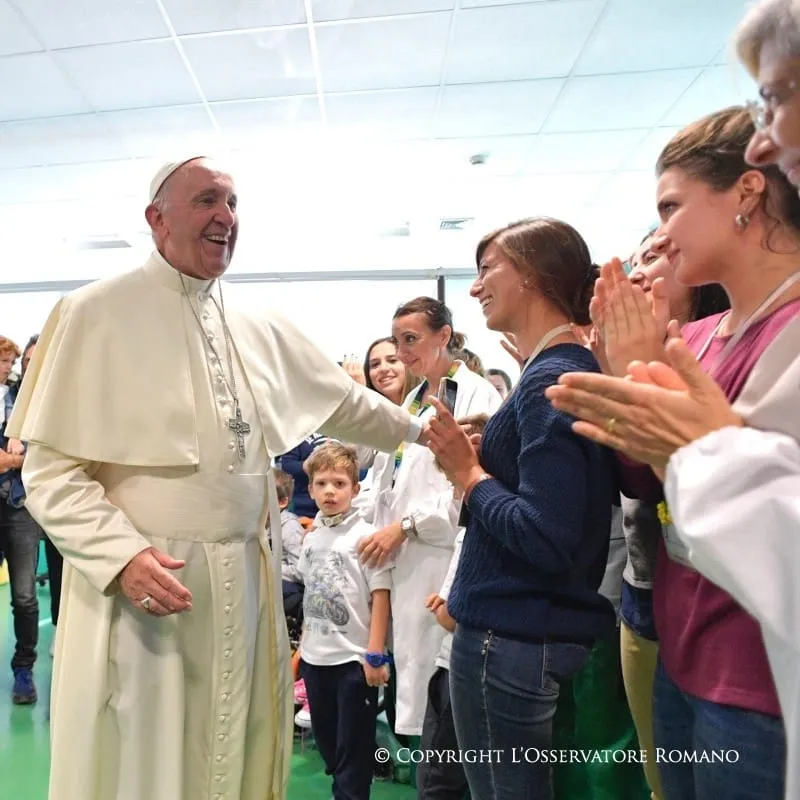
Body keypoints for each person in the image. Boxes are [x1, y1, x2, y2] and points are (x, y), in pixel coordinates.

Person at [6, 156, 427, 800]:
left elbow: (343, 403)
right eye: (206, 201)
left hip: (246, 581)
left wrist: (423, 433)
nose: (226, 217)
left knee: (235, 751)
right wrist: (121, 556)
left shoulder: (257, 322)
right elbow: (52, 473)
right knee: (148, 757)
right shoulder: (94, 312)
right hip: (151, 584)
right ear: (157, 219)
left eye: (232, 204)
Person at [548, 106, 800, 800]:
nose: (659, 235)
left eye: (671, 206)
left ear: (747, 192)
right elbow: (645, 479)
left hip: (761, 671)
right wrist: (630, 377)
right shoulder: (697, 337)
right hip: (682, 645)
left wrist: (671, 422)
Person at [427, 218, 618, 800]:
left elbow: (544, 532)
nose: (475, 286)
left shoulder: (548, 379)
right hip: (526, 634)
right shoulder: (556, 370)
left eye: (488, 269)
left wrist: (469, 474)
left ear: (533, 274)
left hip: (511, 636)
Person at [357, 297, 502, 745]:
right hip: (403, 561)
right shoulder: (414, 400)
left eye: (411, 340)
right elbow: (387, 478)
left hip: (441, 561)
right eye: (397, 341)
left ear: (445, 335)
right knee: (415, 697)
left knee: (443, 702)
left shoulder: (476, 394)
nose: (402, 353)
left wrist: (405, 526)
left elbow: (468, 489)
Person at [297, 443, 391, 800]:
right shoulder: (312, 537)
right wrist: (303, 649)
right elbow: (309, 592)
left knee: (353, 755)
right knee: (329, 746)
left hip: (352, 661)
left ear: (355, 488)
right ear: (310, 489)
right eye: (321, 483)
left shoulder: (365, 536)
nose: (330, 491)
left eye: (339, 483)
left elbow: (380, 594)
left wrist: (375, 653)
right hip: (315, 659)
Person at [0, 334, 41, 704]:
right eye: (13, 363)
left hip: (21, 507)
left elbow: (46, 458)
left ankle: (24, 669)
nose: (12, 369)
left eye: (13, 363)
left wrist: (12, 460)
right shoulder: (11, 398)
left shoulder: (39, 403)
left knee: (25, 597)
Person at [416, 530, 469, 800]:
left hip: (459, 667)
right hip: (520, 670)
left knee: (438, 780)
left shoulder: (473, 532)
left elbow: (451, 617)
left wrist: (443, 608)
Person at [273, 467, 305, 624]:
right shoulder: (261, 525)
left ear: (282, 502)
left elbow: (300, 571)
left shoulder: (289, 527)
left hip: (291, 588)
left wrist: (269, 569)